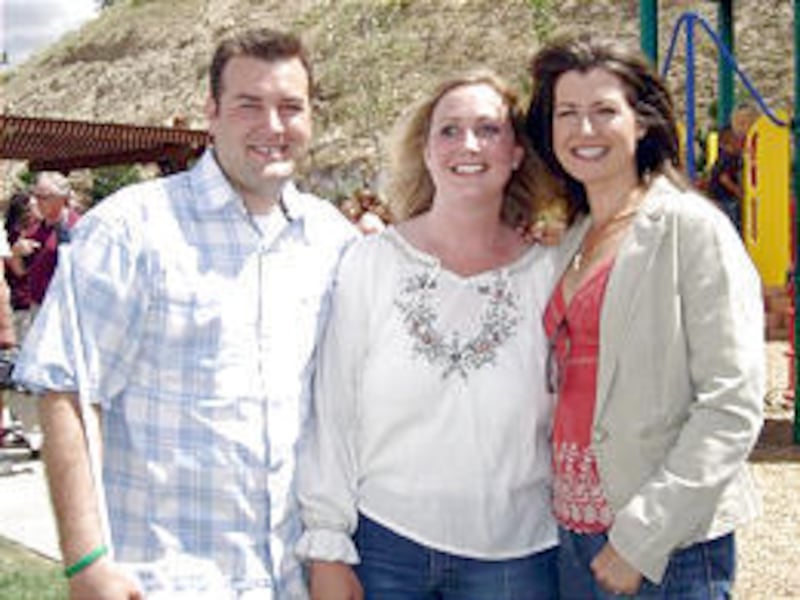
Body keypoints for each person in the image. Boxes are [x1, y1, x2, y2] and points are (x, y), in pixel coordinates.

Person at [13, 28, 357, 599]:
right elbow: (68, 392)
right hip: (168, 578)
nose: (273, 126)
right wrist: (87, 561)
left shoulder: (333, 241)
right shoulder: (130, 230)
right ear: (212, 113)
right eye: (249, 105)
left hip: (294, 578)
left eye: (290, 107)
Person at [297, 70, 565, 600]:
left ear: (516, 153)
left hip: (518, 555)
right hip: (386, 548)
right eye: (449, 130)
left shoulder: (550, 272)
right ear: (424, 150)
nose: (468, 144)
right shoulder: (371, 263)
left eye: (488, 130)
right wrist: (327, 544)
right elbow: (334, 409)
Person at [525, 34, 764, 598]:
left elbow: (731, 401)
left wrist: (641, 538)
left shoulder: (689, 227)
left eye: (604, 111)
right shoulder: (572, 239)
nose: (584, 130)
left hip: (664, 546)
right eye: (568, 113)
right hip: (571, 534)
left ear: (642, 123)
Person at [0, 191, 38, 452]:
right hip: (18, 306)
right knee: (16, 367)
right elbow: (15, 271)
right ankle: (27, 428)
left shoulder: (38, 230)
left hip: (24, 304)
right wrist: (17, 252)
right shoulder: (14, 235)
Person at [707, 126, 743, 233]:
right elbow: (724, 178)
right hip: (725, 199)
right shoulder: (728, 157)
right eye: (737, 141)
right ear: (729, 144)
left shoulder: (723, 156)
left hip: (718, 197)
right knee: (731, 224)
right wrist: (738, 191)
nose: (740, 144)